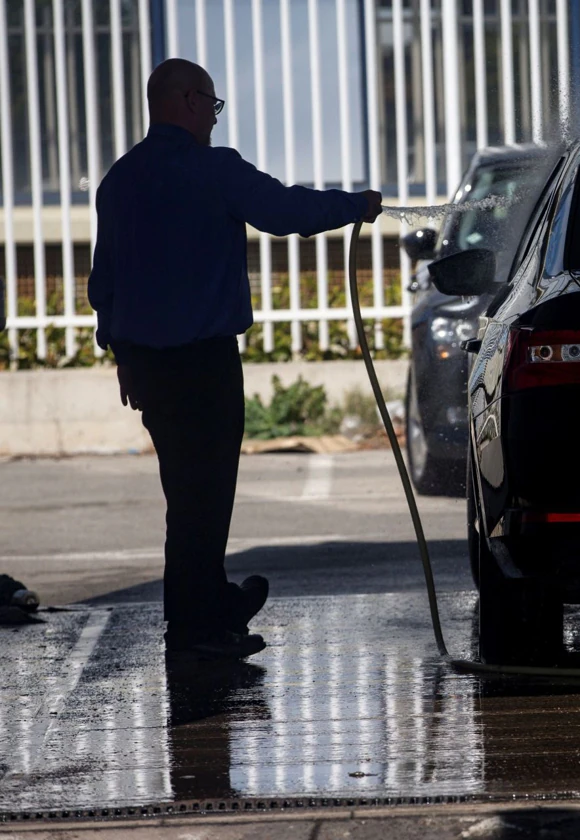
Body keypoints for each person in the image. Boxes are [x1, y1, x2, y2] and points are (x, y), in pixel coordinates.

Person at [87, 58, 382, 661]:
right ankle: (197, 630)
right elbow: (287, 213)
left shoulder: (119, 180)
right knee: (207, 495)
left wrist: (120, 353)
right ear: (191, 102)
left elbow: (106, 282)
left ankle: (210, 607)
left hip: (150, 367)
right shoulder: (212, 170)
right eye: (214, 106)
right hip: (205, 364)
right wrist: (359, 204)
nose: (216, 119)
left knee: (185, 494)